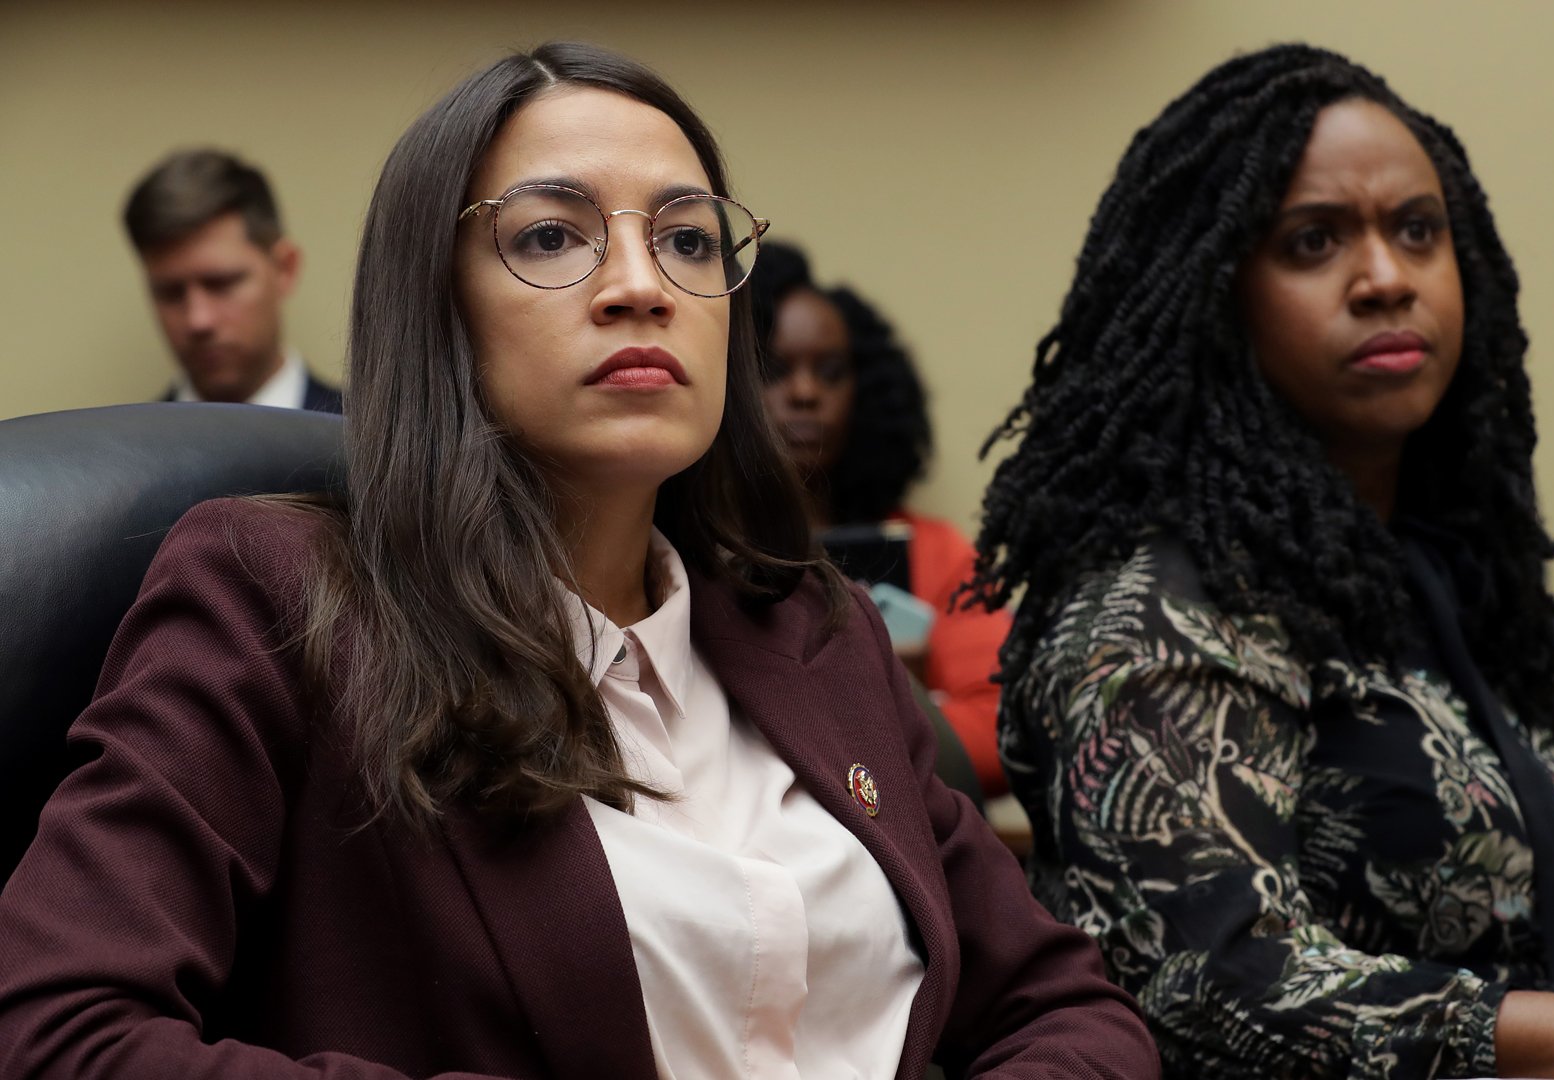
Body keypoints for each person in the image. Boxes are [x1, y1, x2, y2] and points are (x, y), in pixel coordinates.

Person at [0, 42, 1157, 1080]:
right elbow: (63, 1030)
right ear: (436, 304)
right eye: (553, 235)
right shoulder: (279, 596)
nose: (643, 286)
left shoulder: (816, 628)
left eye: (689, 239)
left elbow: (1073, 1017)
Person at [965, 43, 1554, 1079]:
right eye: (1314, 240)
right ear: (1216, 292)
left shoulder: (1452, 596)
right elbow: (1216, 988)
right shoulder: (1150, 610)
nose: (1385, 278)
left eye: (1418, 231)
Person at [753, 241, 1014, 795]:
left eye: (830, 372)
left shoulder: (933, 550)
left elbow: (1006, 728)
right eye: (774, 370)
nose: (804, 393)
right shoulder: (679, 553)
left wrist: (903, 696)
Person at [123, 149, 342, 412]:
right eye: (170, 293)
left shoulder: (373, 439)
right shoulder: (118, 450)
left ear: (285, 269)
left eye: (222, 284)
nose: (198, 320)